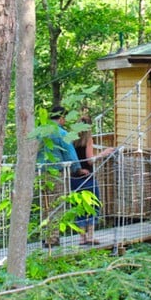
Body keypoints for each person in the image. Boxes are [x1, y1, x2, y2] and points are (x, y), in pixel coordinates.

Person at [36, 105, 82, 248]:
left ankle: (45, 237)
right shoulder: (61, 133)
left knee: (45, 205)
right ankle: (53, 239)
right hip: (57, 173)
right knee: (57, 205)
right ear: (61, 118)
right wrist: (77, 168)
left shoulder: (40, 132)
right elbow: (70, 153)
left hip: (40, 173)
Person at [71, 115, 114, 246]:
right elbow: (90, 159)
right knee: (92, 205)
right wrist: (104, 153)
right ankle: (90, 237)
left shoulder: (71, 140)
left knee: (79, 207)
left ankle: (81, 238)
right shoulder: (88, 139)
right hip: (87, 177)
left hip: (74, 178)